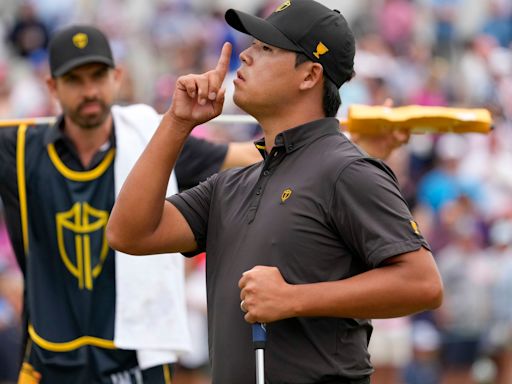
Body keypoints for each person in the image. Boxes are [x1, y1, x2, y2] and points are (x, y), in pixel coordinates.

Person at [106, 1, 444, 383]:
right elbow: (128, 233)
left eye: (267, 49)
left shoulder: (346, 169)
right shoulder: (232, 184)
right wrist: (177, 122)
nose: (246, 56)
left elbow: (422, 283)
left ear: (309, 75)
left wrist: (292, 298)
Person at [0, 24, 263, 384]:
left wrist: (328, 137)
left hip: (135, 354)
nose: (89, 90)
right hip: (49, 354)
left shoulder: (151, 143)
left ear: (117, 76)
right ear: (52, 87)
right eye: (75, 79)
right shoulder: (17, 149)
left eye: (97, 76)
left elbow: (246, 156)